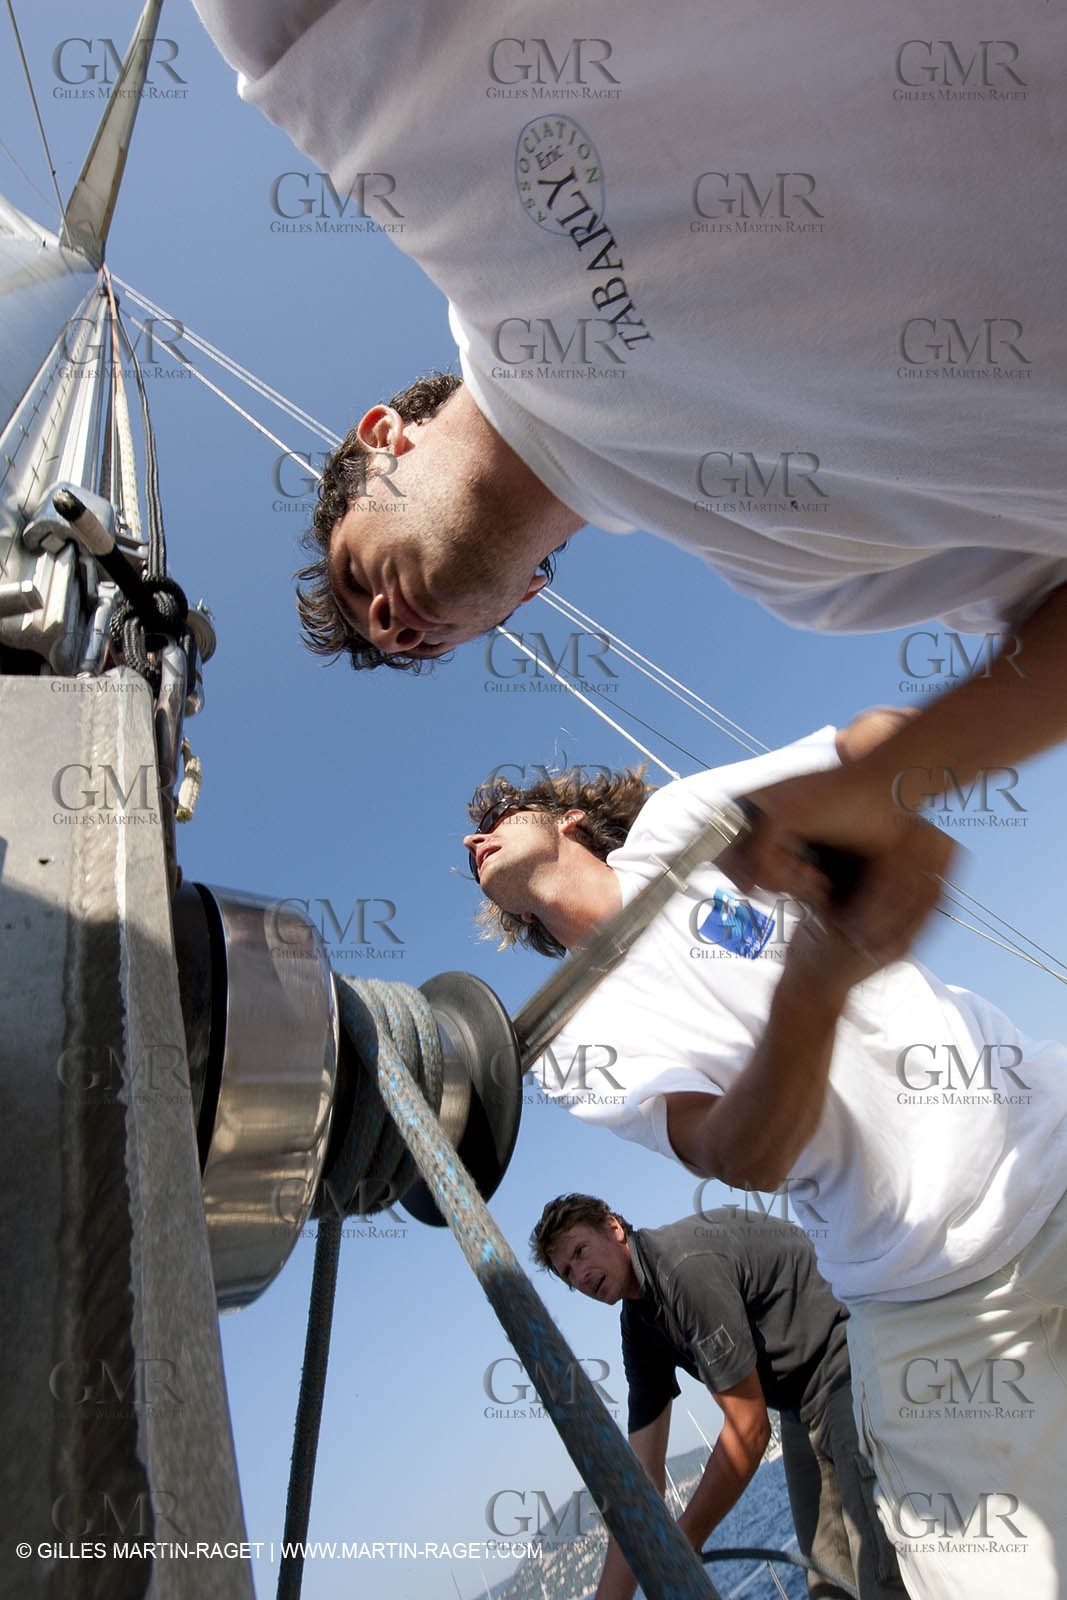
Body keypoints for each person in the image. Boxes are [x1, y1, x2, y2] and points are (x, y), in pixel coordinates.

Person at [193, 0, 1067, 968]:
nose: (392, 623)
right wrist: (889, 778)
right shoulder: (804, 576)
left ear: (383, 433)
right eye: (403, 644)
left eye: (357, 576)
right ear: (518, 603)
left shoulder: (431, 149)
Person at [462, 711, 1067, 1598]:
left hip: (1044, 1143)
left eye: (501, 812)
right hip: (921, 1299)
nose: (477, 836)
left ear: (570, 824)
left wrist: (884, 802)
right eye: (469, 844)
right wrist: (816, 980)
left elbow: (869, 743)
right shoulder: (564, 1044)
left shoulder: (679, 826)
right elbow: (736, 1151)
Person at [531, 1194, 905, 1600]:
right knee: (830, 1589)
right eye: (568, 1273)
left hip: (849, 1361)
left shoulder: (684, 1270)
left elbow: (749, 1430)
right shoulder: (639, 1326)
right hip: (799, 1406)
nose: (580, 1276)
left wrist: (684, 1540)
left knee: (881, 1573)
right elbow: (640, 1482)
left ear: (613, 1228)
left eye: (581, 1252)